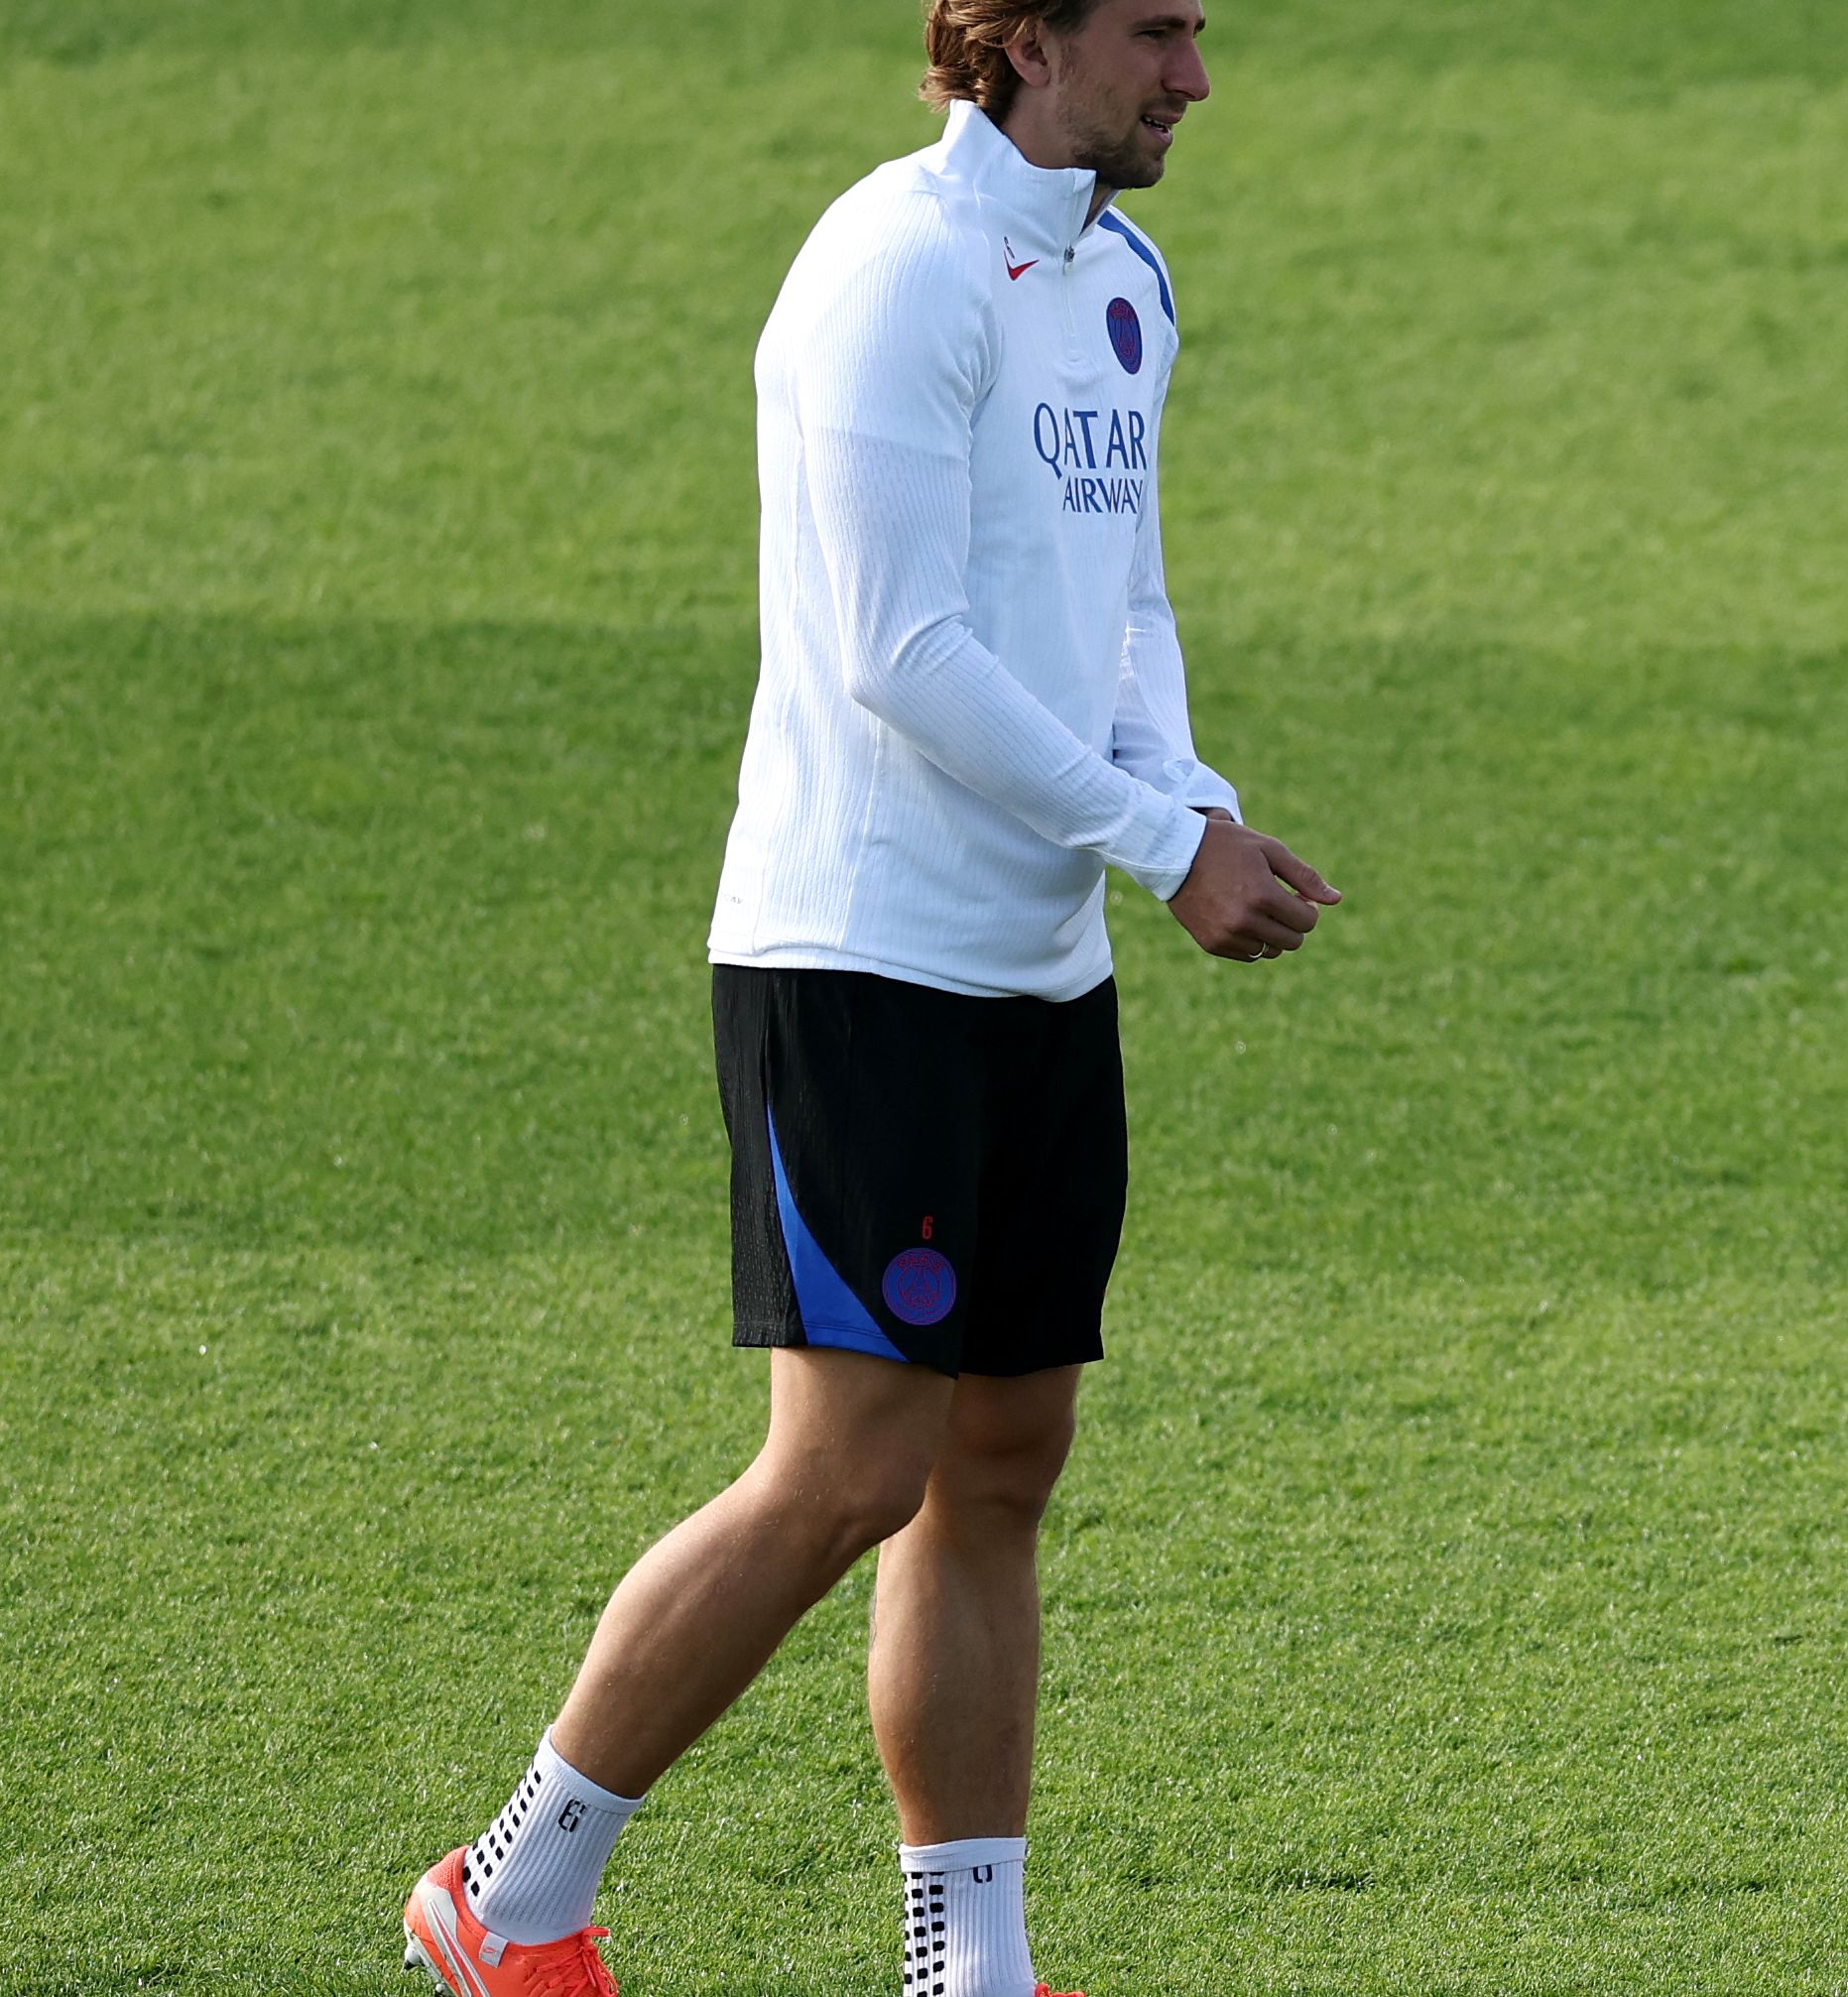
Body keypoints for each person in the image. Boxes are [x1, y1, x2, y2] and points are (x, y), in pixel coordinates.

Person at [399, 5, 1337, 1993]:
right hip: (859, 955)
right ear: (1021, 38)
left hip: (1036, 964)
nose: (1194, 77)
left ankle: (967, 1966)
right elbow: (897, 645)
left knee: (998, 1460)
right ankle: (511, 1889)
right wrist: (1156, 847)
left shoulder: (1119, 276)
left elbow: (1118, 601)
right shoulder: (889, 270)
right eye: (1156, 31)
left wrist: (1193, 798)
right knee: (844, 1469)